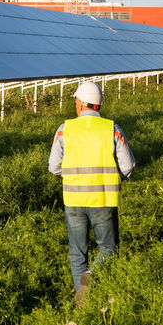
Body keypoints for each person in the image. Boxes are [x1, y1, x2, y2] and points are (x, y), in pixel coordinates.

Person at [48, 79, 135, 307]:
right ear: (98, 105)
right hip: (103, 200)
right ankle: (93, 277)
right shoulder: (112, 129)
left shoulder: (64, 129)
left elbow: (53, 167)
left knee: (78, 254)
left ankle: (82, 304)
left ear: (81, 103)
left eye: (76, 100)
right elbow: (128, 168)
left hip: (74, 201)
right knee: (107, 248)